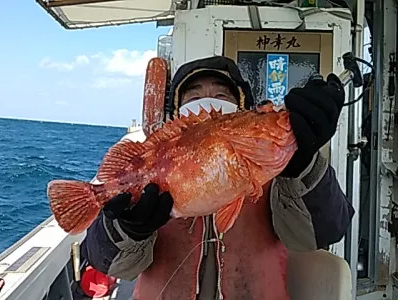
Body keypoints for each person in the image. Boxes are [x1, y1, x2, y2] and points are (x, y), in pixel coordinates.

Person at [80, 56, 355, 299]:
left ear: (243, 109)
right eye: (193, 97)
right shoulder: (154, 161)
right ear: (177, 113)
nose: (207, 103)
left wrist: (303, 165)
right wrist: (128, 228)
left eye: (222, 96)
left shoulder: (278, 172)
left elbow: (327, 232)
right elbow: (108, 263)